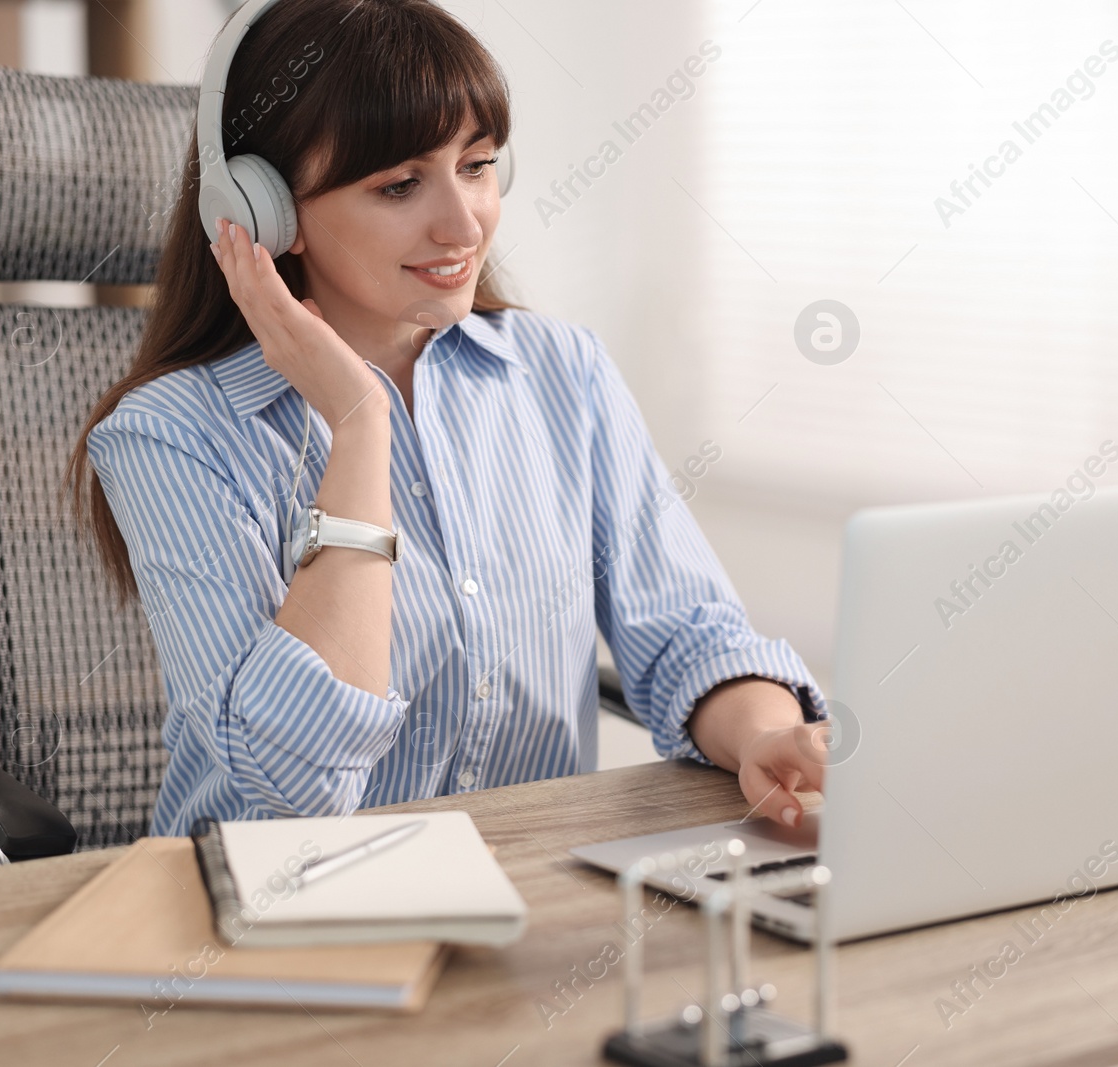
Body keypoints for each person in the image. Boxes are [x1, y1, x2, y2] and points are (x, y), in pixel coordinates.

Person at [66, 0, 830, 838]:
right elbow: (292, 785)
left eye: (476, 165)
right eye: (400, 184)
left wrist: (764, 735)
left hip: (531, 901)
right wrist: (358, 428)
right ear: (262, 213)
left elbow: (690, 632)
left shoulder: (561, 373)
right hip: (277, 914)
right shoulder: (171, 437)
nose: (464, 223)